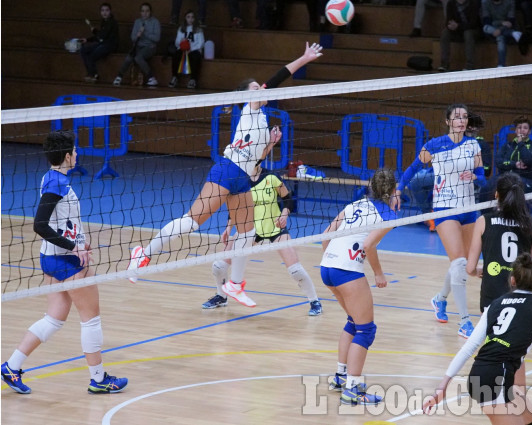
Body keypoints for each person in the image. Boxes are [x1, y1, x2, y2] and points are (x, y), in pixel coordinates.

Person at [127, 42, 324, 307]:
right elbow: (277, 78)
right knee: (191, 222)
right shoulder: (251, 107)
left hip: (242, 177)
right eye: (255, 88)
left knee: (247, 233)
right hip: (227, 170)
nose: (260, 89)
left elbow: (256, 161)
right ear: (246, 96)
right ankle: (143, 253)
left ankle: (235, 284)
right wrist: (304, 58)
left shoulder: (262, 121)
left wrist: (269, 145)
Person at [0, 131, 128, 395]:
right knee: (91, 320)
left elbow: (61, 222)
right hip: (66, 260)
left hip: (51, 258)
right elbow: (39, 224)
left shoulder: (51, 177)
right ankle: (99, 379)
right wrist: (74, 246)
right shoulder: (56, 184)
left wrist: (79, 239)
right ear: (68, 156)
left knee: (54, 318)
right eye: (75, 151)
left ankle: (12, 367)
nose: (77, 154)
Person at [422, 253, 532, 424]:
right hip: (497, 379)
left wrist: (442, 387)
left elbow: (468, 348)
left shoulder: (495, 304)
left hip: (481, 375)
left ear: (512, 280)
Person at [201, 164, 323, 315]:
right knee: (219, 266)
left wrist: (284, 213)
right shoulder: (240, 180)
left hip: (275, 228)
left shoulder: (271, 177)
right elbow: (235, 208)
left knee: (295, 270)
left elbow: (288, 198)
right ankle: (221, 296)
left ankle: (314, 301)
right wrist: (228, 227)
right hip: (249, 229)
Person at [322, 169, 398, 405]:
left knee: (353, 322)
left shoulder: (355, 204)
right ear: (393, 191)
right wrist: (378, 273)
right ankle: (353, 389)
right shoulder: (388, 214)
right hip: (346, 270)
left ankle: (340, 377)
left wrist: (332, 261)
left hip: (327, 266)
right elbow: (368, 245)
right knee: (366, 330)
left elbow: (326, 235)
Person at [420, 104, 485, 338]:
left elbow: (483, 178)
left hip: (469, 208)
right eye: (456, 117)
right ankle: (465, 322)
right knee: (459, 264)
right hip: (445, 208)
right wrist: (398, 189)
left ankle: (440, 299)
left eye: (465, 117)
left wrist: (475, 176)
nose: (461, 121)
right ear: (447, 121)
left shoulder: (473, 145)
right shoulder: (434, 145)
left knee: (465, 264)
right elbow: (412, 169)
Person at [467, 172, 532, 312]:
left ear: (496, 194)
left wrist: (478, 271)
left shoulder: (483, 221)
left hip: (490, 299)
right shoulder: (529, 227)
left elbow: (470, 268)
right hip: (520, 299)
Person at [480, 115, 532, 203]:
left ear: (529, 131)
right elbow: (498, 162)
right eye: (519, 127)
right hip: (505, 177)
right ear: (516, 130)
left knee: (509, 188)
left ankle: (520, 212)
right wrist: (514, 164)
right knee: (486, 187)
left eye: (525, 128)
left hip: (527, 180)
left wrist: (521, 143)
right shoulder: (508, 145)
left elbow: (529, 160)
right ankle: (487, 214)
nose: (522, 130)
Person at [112, 2, 161, 87]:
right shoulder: (137, 22)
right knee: (129, 57)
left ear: (150, 12)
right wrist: (138, 35)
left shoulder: (155, 22)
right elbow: (133, 38)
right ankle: (119, 76)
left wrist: (145, 33)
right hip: (138, 46)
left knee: (138, 58)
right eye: (142, 11)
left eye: (147, 11)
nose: (145, 13)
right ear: (140, 12)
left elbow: (157, 38)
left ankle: (152, 78)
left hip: (150, 47)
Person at [79, 2, 119, 83]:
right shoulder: (103, 21)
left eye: (107, 10)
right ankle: (90, 73)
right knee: (83, 50)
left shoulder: (112, 22)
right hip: (102, 43)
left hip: (110, 45)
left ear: (110, 11)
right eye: (102, 10)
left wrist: (94, 31)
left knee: (91, 56)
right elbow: (100, 37)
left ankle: (94, 75)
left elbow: (102, 36)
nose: (104, 12)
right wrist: (87, 40)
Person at [481, 0, 529, 67]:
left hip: (505, 28)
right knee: (485, 28)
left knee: (500, 37)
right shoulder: (485, 2)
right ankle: (512, 33)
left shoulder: (510, 2)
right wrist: (501, 22)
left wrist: (500, 30)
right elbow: (487, 21)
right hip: (492, 30)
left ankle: (501, 65)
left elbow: (510, 21)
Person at [438, 0, 480, 72]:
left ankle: (469, 65)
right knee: (445, 32)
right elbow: (448, 20)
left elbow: (473, 23)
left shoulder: (474, 3)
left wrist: (458, 26)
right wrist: (451, 25)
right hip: (458, 29)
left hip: (473, 30)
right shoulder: (451, 3)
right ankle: (444, 64)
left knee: (468, 33)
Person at [169, 10, 205, 89]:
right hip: (183, 50)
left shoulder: (198, 30)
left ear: (195, 19)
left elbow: (201, 43)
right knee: (176, 55)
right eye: (188, 17)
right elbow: (176, 42)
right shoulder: (181, 29)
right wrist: (181, 43)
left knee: (195, 57)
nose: (190, 19)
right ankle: (175, 77)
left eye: (192, 17)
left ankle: (193, 79)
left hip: (194, 50)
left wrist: (191, 49)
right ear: (185, 18)